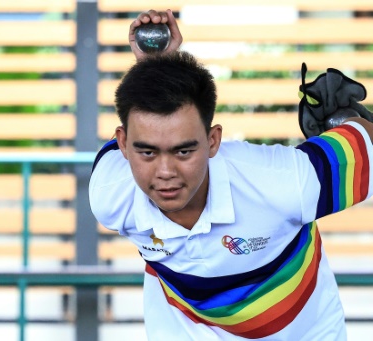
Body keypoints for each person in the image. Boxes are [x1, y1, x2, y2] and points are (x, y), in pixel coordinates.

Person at [89, 9, 373, 340]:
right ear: (123, 145)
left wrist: (343, 120)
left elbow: (366, 141)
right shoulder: (111, 193)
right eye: (147, 152)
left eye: (184, 151)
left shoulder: (285, 182)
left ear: (213, 141)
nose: (165, 173)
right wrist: (155, 67)